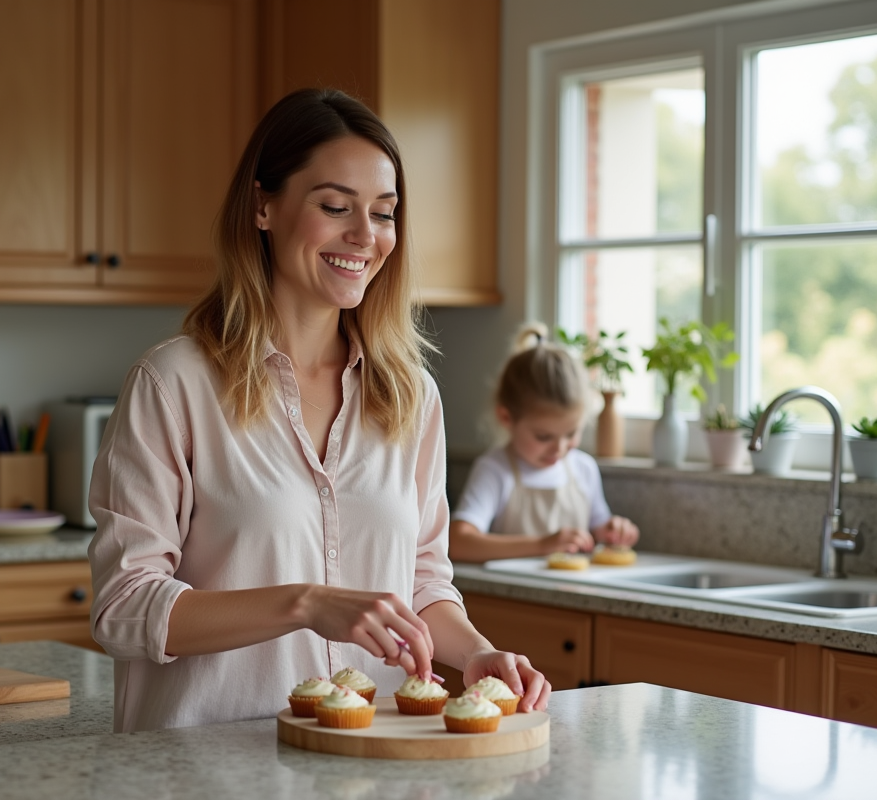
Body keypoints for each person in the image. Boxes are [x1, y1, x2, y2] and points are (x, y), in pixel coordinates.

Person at [88, 88, 551, 732]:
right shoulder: (174, 383)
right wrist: (306, 604)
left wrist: (476, 653)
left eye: (384, 213)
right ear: (263, 206)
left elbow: (422, 583)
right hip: (205, 772)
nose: (365, 236)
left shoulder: (411, 397)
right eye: (335, 206)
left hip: (368, 762)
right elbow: (123, 607)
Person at [448, 323, 640, 563]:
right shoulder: (495, 470)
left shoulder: (584, 469)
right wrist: (541, 544)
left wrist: (613, 531)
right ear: (506, 417)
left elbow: (599, 530)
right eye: (544, 437)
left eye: (571, 434)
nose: (559, 448)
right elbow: (458, 543)